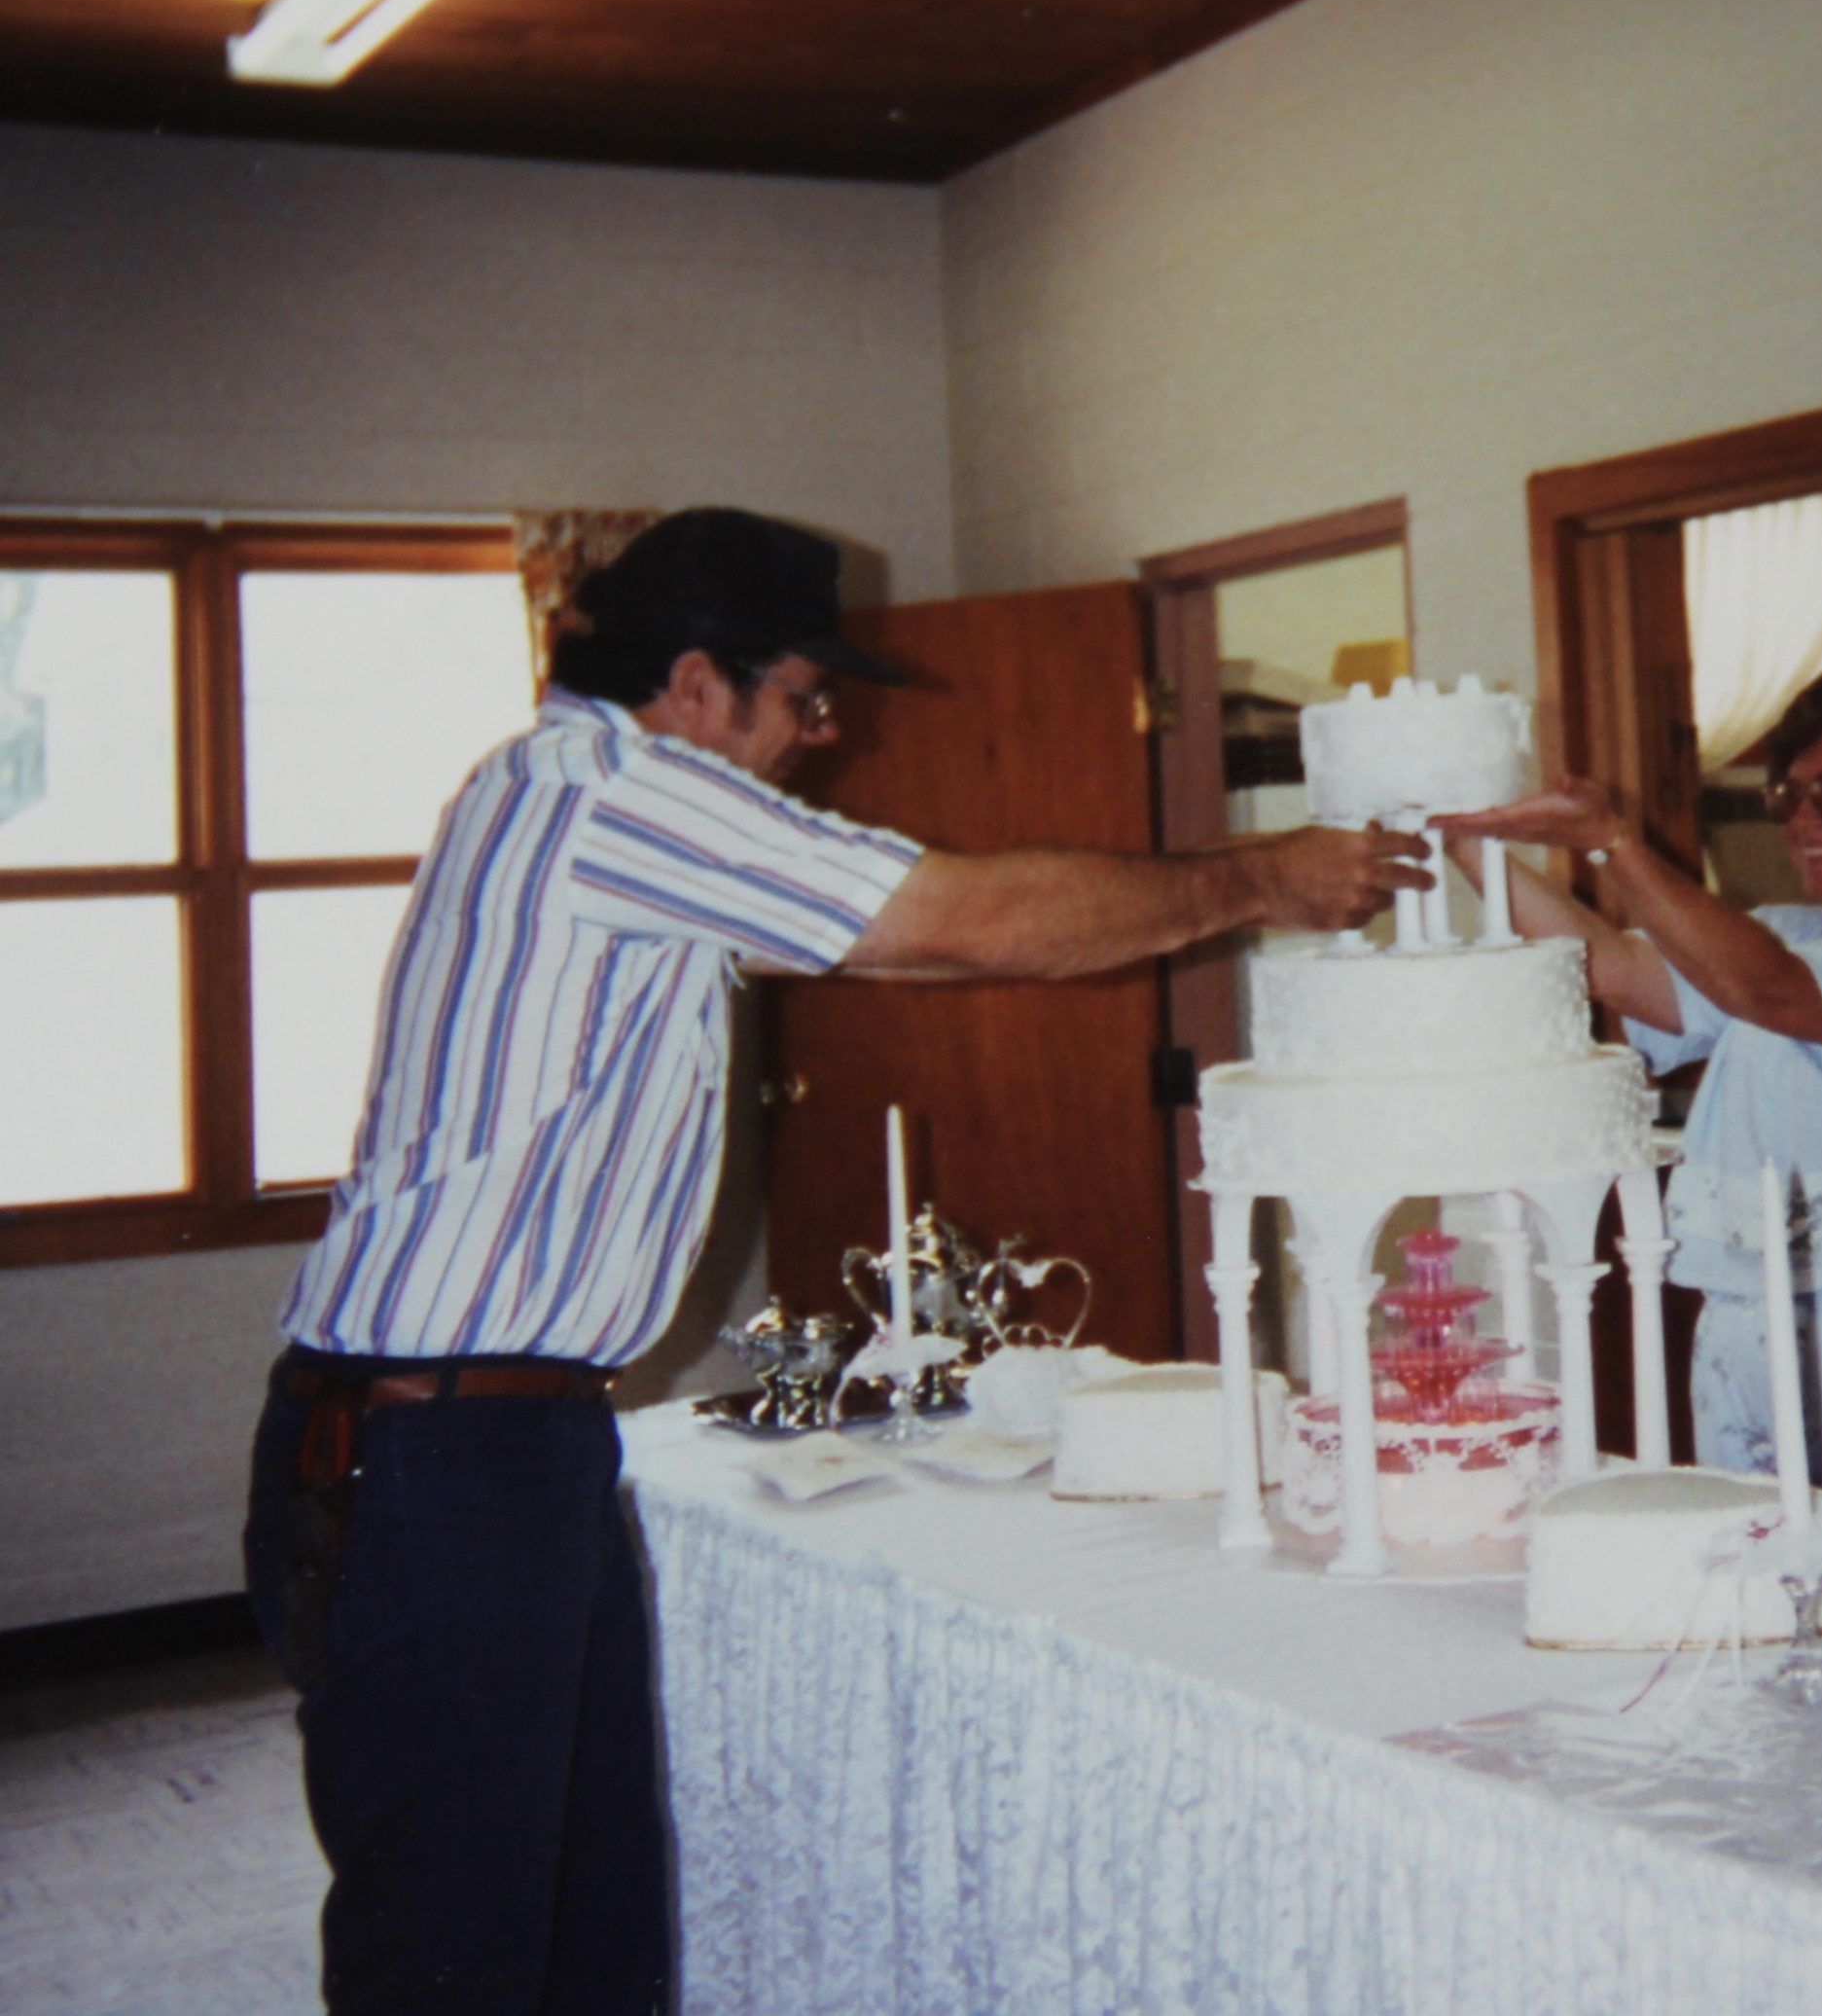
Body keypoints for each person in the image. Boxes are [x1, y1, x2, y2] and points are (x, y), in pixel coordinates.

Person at [241, 506, 1432, 2016]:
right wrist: (1257, 880)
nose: (820, 735)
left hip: (505, 1434)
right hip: (437, 1451)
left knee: (588, 1933)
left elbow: (913, 937)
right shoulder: (610, 791)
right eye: (804, 698)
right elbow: (965, 918)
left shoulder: (589, 798)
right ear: (694, 681)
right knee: (457, 1951)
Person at [1435, 667, 1822, 1518]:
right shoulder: (1780, 934)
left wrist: (1614, 842)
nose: (1803, 821)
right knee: (1756, 1603)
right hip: (1743, 1323)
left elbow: (1767, 990)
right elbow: (1612, 967)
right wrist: (1469, 844)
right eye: (1790, 796)